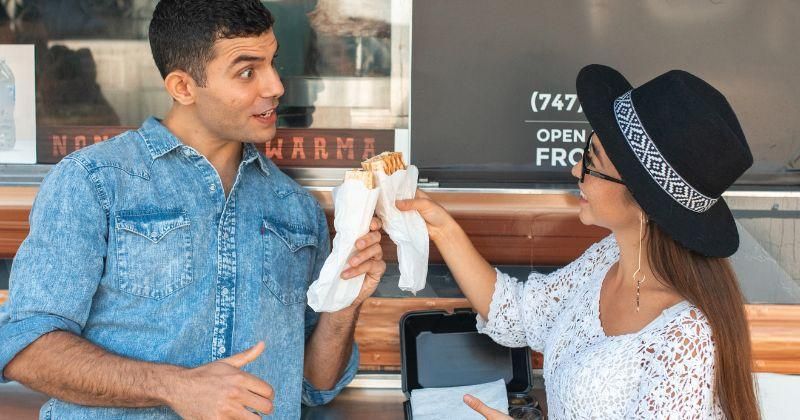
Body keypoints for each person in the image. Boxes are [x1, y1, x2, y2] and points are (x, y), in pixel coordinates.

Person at [0, 1, 387, 418]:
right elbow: (25, 348)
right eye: (247, 71)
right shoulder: (94, 182)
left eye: (273, 63)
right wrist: (175, 387)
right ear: (183, 87)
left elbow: (315, 386)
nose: (275, 85)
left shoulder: (297, 209)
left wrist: (345, 303)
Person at [398, 64, 759, 419]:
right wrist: (442, 228)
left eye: (591, 160)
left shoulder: (688, 340)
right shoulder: (609, 257)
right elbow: (518, 314)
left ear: (644, 200)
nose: (575, 170)